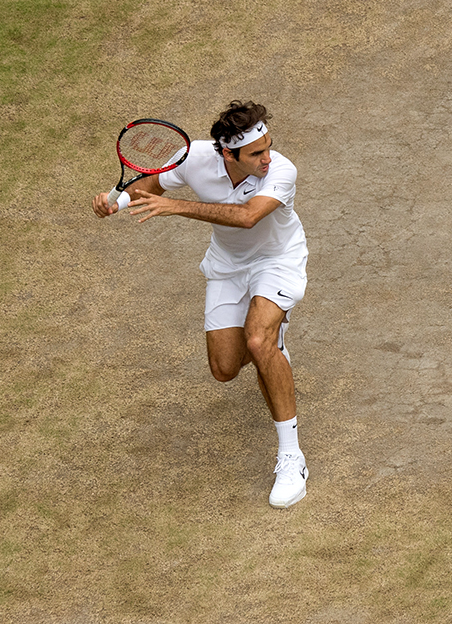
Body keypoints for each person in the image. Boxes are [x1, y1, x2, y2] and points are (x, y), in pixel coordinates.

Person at [91, 100, 310, 508]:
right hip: (227, 267)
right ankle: (270, 342)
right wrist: (114, 203)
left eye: (268, 146)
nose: (267, 158)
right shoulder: (193, 157)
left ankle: (291, 457)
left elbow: (247, 217)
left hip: (278, 262)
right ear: (227, 153)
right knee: (225, 368)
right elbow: (149, 187)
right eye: (255, 153)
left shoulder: (281, 170)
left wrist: (178, 207)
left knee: (260, 342)